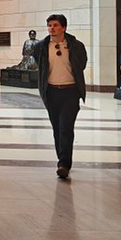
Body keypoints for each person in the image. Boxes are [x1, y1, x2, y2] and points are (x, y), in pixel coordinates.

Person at [32, 14, 87, 179]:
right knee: (57, 128)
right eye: (49, 25)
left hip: (70, 92)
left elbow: (81, 64)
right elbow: (40, 65)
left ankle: (64, 164)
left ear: (64, 27)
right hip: (52, 92)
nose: (51, 28)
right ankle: (61, 158)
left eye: (55, 25)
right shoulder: (41, 47)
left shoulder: (76, 46)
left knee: (66, 128)